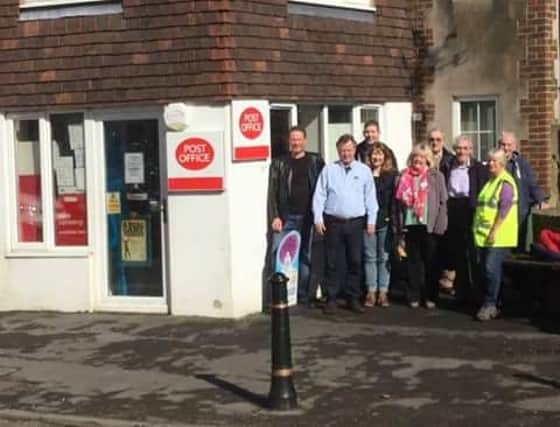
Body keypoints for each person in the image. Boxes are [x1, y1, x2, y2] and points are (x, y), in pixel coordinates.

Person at [313, 134, 378, 315]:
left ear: (354, 150)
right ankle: (331, 298)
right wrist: (318, 218)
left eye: (349, 150)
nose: (346, 154)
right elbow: (319, 195)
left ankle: (353, 298)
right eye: (343, 151)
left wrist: (371, 221)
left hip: (356, 222)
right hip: (333, 222)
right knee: (332, 262)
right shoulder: (329, 170)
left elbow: (371, 198)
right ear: (338, 151)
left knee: (355, 261)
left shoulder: (364, 171)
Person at [267, 126, 325, 306]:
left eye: (299, 139)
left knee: (306, 256)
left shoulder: (316, 161)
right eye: (293, 139)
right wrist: (274, 216)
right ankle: (280, 295)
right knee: (279, 254)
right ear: (288, 141)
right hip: (286, 217)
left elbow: (324, 190)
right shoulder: (279, 163)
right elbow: (272, 193)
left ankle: (302, 294)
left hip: (308, 217)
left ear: (305, 140)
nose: (296, 143)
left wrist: (320, 216)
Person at [394, 143, 448, 309]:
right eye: (415, 160)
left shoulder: (436, 176)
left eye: (421, 161)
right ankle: (413, 295)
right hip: (410, 225)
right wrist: (398, 227)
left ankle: (431, 296)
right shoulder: (403, 176)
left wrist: (441, 226)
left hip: (429, 225)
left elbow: (442, 202)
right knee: (412, 263)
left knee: (431, 263)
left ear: (428, 162)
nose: (417, 164)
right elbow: (396, 205)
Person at [439, 135, 488, 304]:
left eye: (465, 148)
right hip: (453, 208)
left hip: (471, 208)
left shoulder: (479, 168)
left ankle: (477, 292)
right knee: (457, 252)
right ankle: (461, 291)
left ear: (471, 151)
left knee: (473, 253)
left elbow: (483, 191)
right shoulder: (447, 166)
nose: (462, 152)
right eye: (459, 148)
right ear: (454, 150)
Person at [473, 148, 518, 321]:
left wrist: (494, 231)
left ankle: (490, 304)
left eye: (493, 161)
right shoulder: (491, 181)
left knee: (491, 269)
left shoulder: (505, 182)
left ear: (502, 163)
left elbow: (504, 210)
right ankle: (491, 302)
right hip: (484, 235)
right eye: (489, 161)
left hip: (498, 236)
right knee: (487, 270)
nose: (489, 164)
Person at [499, 131, 548, 251]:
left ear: (514, 146)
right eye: (503, 144)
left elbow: (531, 183)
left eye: (509, 145)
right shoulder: (495, 163)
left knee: (519, 249)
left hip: (520, 213)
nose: (506, 148)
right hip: (501, 215)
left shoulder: (521, 163)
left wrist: (540, 200)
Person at [364, 142, 397, 308]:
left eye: (380, 154)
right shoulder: (364, 174)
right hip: (367, 222)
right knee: (370, 257)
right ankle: (371, 291)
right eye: (373, 155)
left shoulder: (391, 176)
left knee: (383, 257)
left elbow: (393, 200)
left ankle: (383, 292)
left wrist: (392, 220)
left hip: (384, 220)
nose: (376, 157)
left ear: (385, 157)